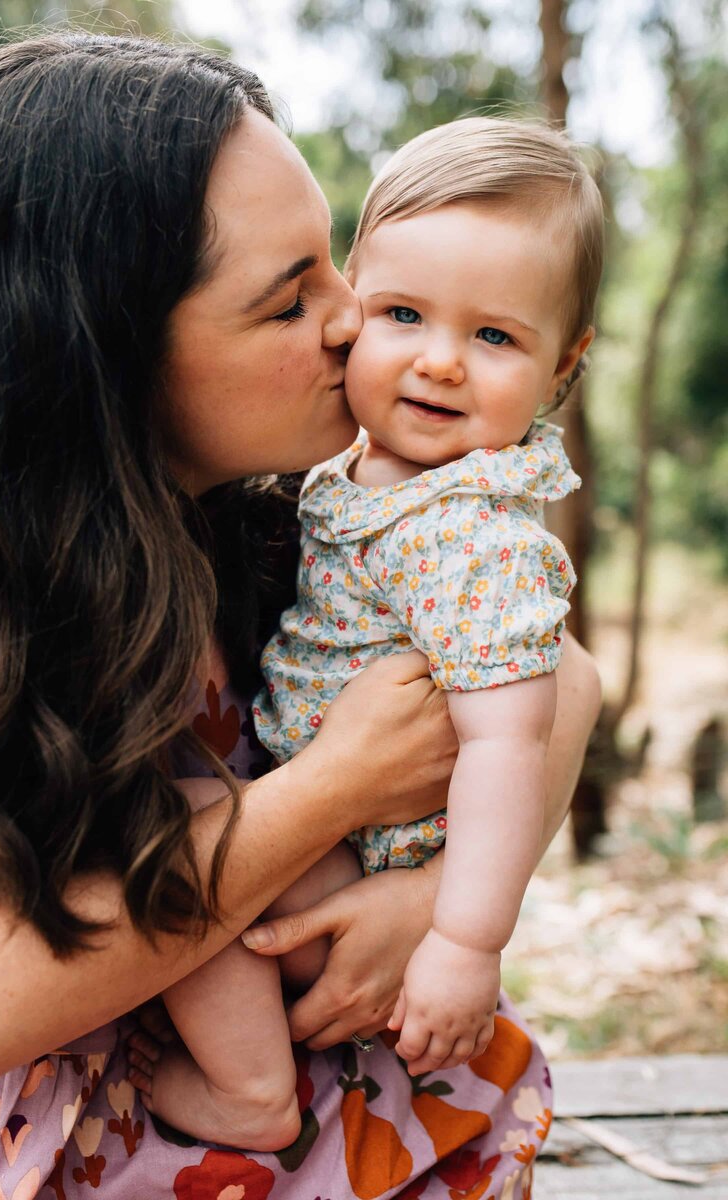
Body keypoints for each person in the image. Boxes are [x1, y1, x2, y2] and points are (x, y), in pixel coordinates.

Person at [0, 33, 601, 1199]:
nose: (355, 323)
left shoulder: (286, 518)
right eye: (293, 299)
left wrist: (429, 908)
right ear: (110, 350)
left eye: (335, 267)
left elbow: (558, 680)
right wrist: (330, 793)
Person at [130, 116, 604, 1150]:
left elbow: (506, 738)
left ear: (561, 365)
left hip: (368, 863)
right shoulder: (359, 470)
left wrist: (461, 937)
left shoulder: (468, 532)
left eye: (492, 336)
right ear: (355, 300)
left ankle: (250, 1092)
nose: (436, 363)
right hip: (329, 823)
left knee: (172, 838)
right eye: (401, 313)